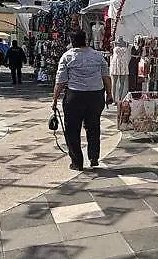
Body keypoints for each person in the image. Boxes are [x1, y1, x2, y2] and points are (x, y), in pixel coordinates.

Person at [53, 30, 114, 170]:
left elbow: (60, 81)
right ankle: (93, 157)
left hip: (75, 97)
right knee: (93, 127)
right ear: (85, 40)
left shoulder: (67, 57)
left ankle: (77, 162)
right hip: (96, 96)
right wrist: (109, 94)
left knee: (72, 130)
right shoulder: (98, 56)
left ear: (72, 42)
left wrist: (54, 100)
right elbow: (106, 77)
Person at [110, 36, 131, 103]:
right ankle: (113, 100)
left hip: (123, 64)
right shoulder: (114, 43)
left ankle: (119, 99)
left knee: (122, 83)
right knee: (114, 83)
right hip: (115, 64)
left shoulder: (127, 44)